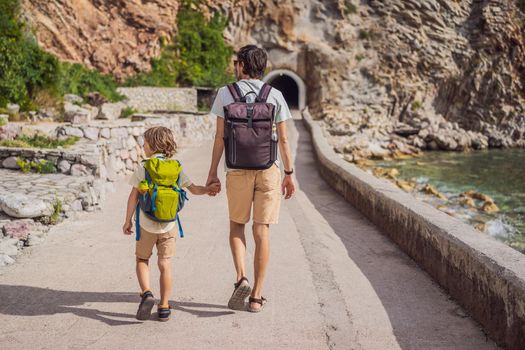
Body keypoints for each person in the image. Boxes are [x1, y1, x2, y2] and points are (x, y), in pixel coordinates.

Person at [207, 45, 296, 312]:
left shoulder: (226, 93)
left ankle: (241, 277)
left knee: (237, 225)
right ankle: (256, 297)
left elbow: (220, 138)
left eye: (237, 62)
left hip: (236, 169)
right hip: (268, 168)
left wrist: (212, 173)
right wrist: (289, 174)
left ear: (242, 66)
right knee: (262, 230)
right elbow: (283, 139)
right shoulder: (275, 95)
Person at [122, 126, 219, 321]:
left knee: (142, 260)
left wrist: (127, 221)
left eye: (145, 143)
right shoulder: (176, 167)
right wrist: (208, 189)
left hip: (147, 225)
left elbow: (133, 197)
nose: (143, 146)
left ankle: (147, 293)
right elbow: (193, 189)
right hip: (169, 225)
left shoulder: (144, 167)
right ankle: (164, 306)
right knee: (165, 264)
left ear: (152, 146)